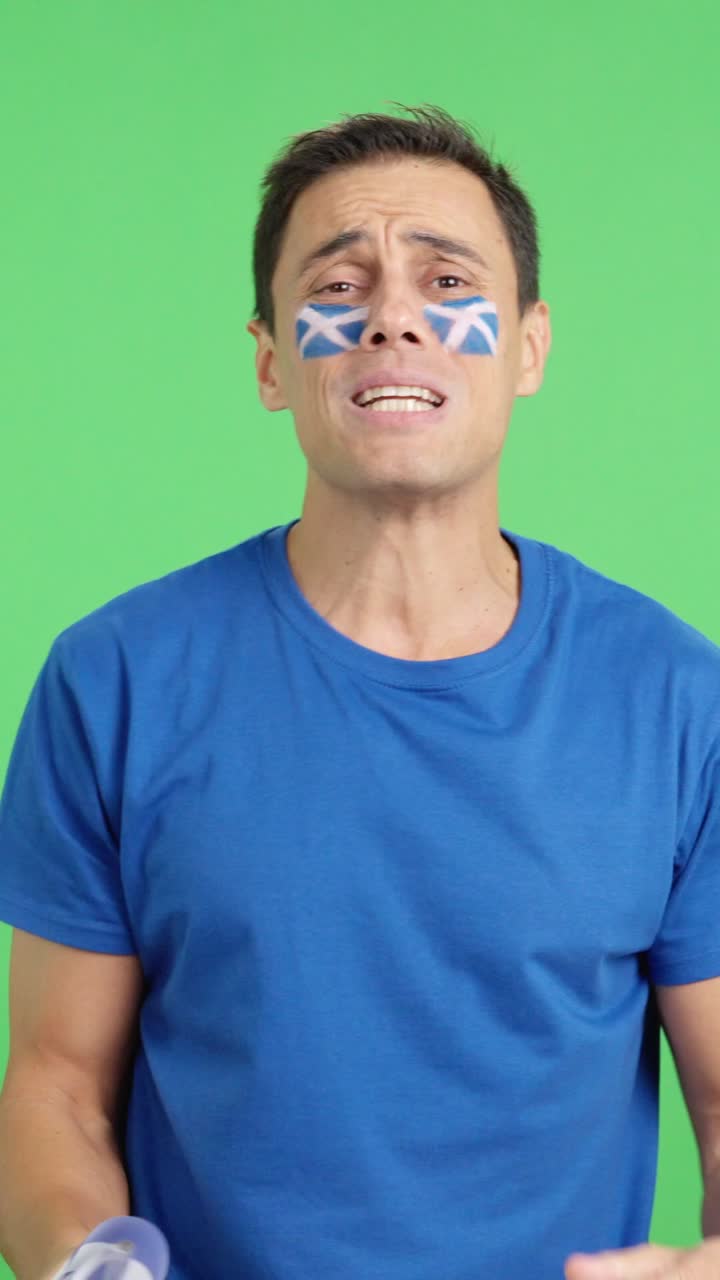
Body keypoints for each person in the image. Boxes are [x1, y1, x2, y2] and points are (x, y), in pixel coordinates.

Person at [0, 103, 719, 1280]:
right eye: (340, 282)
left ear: (529, 347)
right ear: (274, 360)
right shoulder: (115, 678)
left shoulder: (679, 701)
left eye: (447, 278)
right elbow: (57, 1084)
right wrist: (96, 1269)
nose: (392, 314)